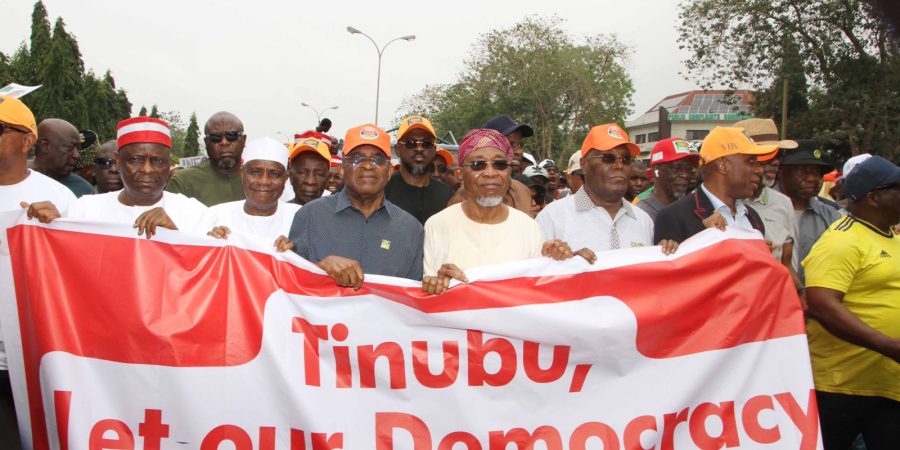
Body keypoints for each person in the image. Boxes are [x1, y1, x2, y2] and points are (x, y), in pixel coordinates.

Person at [422, 128, 595, 295]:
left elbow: (539, 295)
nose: (490, 173)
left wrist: (564, 263)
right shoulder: (437, 225)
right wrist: (438, 286)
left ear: (509, 172)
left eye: (500, 164)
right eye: (478, 165)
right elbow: (427, 297)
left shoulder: (528, 227)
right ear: (460, 174)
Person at [802, 155, 899, 450]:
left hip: (885, 383)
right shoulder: (842, 241)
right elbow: (820, 304)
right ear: (874, 198)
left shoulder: (890, 237)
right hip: (842, 387)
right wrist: (888, 345)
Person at [0, 96, 76, 448]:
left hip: (26, 356)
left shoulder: (59, 199)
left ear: (27, 140)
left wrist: (58, 233)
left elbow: (81, 274)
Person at [289, 124, 423, 289]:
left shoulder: (411, 230)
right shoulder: (309, 216)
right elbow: (290, 286)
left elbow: (414, 300)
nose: (367, 165)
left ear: (389, 172)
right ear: (342, 170)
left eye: (378, 159)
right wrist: (320, 269)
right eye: (357, 158)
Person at [29, 117, 209, 237]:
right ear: (117, 161)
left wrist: (174, 237)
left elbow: (207, 277)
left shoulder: (195, 214)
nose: (147, 169)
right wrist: (47, 227)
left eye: (158, 161)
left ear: (169, 164)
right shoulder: (84, 211)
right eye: (136, 160)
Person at [538, 123, 677, 254]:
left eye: (626, 159)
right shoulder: (552, 218)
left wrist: (663, 253)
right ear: (584, 164)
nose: (619, 165)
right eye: (608, 158)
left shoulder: (643, 221)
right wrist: (564, 263)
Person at [654, 127, 774, 244]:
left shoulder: (753, 217)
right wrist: (707, 238)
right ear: (723, 165)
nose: (759, 170)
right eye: (751, 162)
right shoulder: (673, 218)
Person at [205, 137, 299, 251]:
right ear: (242, 175)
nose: (264, 181)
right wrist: (209, 244)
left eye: (274, 174)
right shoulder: (216, 216)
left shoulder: (301, 217)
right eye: (255, 172)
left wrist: (299, 250)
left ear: (285, 179)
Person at [776, 140, 841, 282]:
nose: (812, 178)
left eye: (817, 172)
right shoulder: (758, 208)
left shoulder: (832, 216)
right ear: (781, 172)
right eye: (803, 171)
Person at [384, 115, 454, 224]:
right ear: (398, 150)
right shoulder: (382, 191)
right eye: (410, 143)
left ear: (434, 150)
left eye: (426, 144)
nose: (419, 149)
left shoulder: (448, 196)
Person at [166, 111, 246, 206]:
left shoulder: (260, 182)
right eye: (216, 137)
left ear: (244, 140)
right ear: (206, 142)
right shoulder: (183, 182)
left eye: (232, 136)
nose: (224, 142)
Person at [637, 137, 701, 222]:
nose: (685, 175)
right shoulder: (642, 215)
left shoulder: (691, 209)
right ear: (656, 169)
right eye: (676, 168)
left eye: (688, 168)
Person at [31, 118, 95, 197]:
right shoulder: (15, 177)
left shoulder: (83, 190)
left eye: (78, 148)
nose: (77, 155)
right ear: (45, 145)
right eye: (69, 148)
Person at [734, 118, 798, 188]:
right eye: (766, 154)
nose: (776, 162)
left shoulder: (781, 199)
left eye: (778, 153)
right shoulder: (724, 197)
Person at [484, 114, 533, 185]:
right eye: (510, 144)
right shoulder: (472, 191)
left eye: (520, 145)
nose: (519, 152)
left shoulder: (523, 189)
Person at [287, 137, 331, 206]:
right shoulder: (278, 215)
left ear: (327, 179)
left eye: (319, 174)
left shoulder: (335, 215)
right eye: (302, 172)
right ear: (291, 176)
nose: (310, 181)